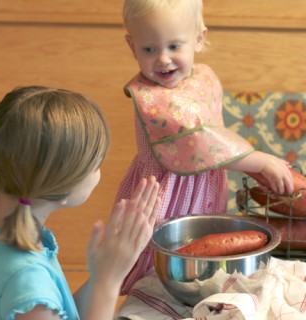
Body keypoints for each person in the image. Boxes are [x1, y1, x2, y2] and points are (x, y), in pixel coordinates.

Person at [114, 0, 294, 294]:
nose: (162, 59)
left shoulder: (202, 77)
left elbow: (216, 132)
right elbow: (199, 140)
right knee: (162, 256)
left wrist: (243, 159)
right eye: (149, 49)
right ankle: (150, 303)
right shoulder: (154, 98)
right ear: (132, 46)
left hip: (204, 182)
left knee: (203, 254)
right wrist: (258, 161)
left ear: (199, 38)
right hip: (167, 189)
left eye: (174, 46)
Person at [0, 86, 161, 320]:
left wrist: (108, 269)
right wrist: (108, 281)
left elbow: (63, 310)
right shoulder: (27, 289)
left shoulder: (0, 230)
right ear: (64, 187)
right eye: (96, 164)